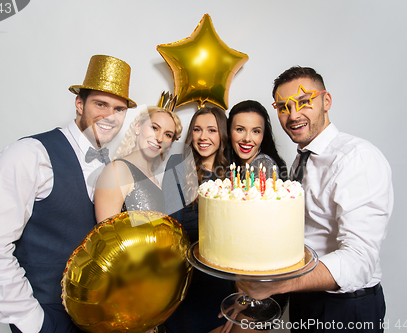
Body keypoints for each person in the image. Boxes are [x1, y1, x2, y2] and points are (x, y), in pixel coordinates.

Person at [0, 55, 136, 333]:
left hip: (97, 321)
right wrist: (37, 324)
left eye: (119, 108)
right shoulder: (29, 154)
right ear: (79, 104)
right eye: (100, 104)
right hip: (49, 318)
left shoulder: (111, 167)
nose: (110, 116)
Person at [237, 66, 393, 332]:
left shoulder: (357, 158)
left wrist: (278, 283)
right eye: (283, 106)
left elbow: (360, 261)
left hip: (345, 308)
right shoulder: (302, 158)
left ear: (326, 100)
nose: (293, 115)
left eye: (304, 102)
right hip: (305, 297)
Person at [162, 107, 233, 333]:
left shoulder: (234, 173)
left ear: (222, 134)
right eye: (197, 129)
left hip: (221, 279)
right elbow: (173, 224)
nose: (203, 137)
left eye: (212, 130)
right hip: (185, 276)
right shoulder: (177, 168)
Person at [94, 105, 182, 222]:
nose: (159, 138)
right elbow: (106, 234)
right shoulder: (118, 170)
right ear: (138, 127)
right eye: (154, 128)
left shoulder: (154, 180)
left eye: (168, 135)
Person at [226, 100, 288, 182]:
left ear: (263, 135)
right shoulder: (234, 164)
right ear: (229, 132)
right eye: (240, 129)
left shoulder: (263, 165)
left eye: (256, 131)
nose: (247, 139)